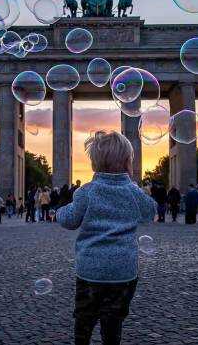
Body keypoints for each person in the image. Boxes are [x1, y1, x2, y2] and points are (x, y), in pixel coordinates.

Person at [56, 130, 156, 345]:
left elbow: (69, 220)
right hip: (123, 271)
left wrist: (59, 212)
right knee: (113, 321)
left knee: (84, 317)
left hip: (90, 270)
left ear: (95, 163)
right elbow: (150, 212)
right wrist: (137, 188)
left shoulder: (86, 192)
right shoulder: (133, 191)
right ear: (128, 163)